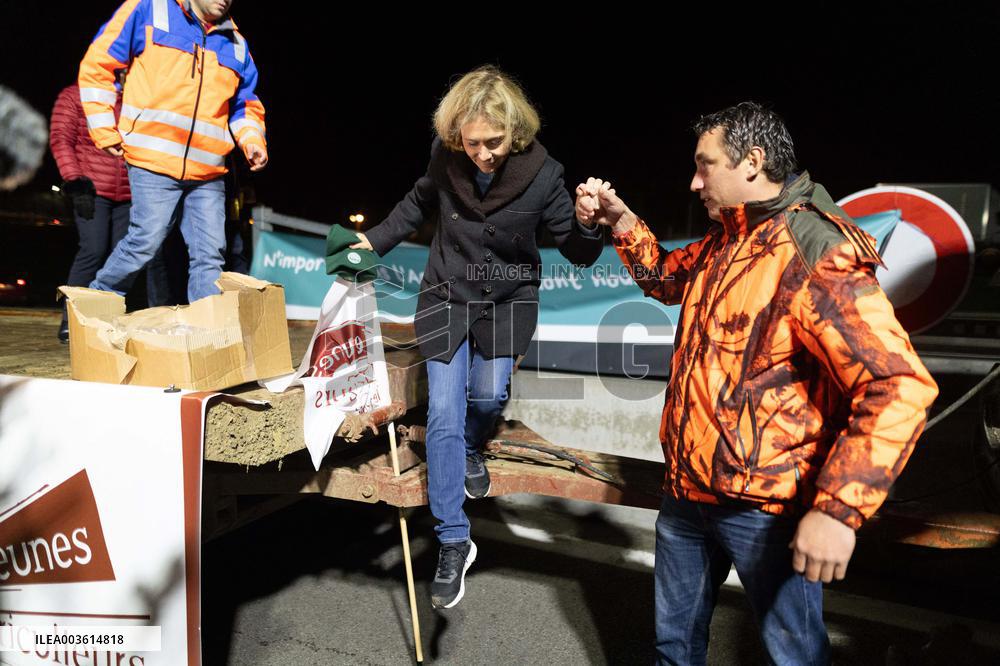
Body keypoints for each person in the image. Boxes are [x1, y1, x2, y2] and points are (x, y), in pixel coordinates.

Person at [575, 102, 939, 665]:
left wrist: (838, 508)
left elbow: (899, 385)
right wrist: (620, 221)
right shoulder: (728, 239)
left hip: (765, 508)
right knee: (673, 650)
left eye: (705, 165)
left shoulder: (813, 252)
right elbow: (664, 279)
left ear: (753, 161)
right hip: (686, 493)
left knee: (793, 657)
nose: (694, 181)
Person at [353, 65, 603, 609]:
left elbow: (578, 250)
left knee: (486, 396)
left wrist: (587, 221)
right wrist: (365, 245)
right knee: (442, 411)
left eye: (492, 143)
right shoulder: (446, 160)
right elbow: (416, 205)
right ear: (455, 137)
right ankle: (452, 538)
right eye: (472, 144)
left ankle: (471, 450)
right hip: (445, 297)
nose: (483, 155)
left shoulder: (544, 173)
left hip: (508, 301)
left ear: (512, 133)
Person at [78, 0, 267, 304]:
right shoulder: (148, 10)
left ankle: (205, 332)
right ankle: (96, 302)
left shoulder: (237, 44)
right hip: (153, 160)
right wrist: (103, 127)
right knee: (145, 241)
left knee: (211, 255)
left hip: (208, 171)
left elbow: (244, 104)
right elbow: (97, 66)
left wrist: (252, 140)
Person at [50, 81, 131, 341]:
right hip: (91, 189)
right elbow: (61, 139)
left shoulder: (133, 96)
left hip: (130, 192)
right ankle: (70, 320)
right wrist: (75, 180)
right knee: (93, 250)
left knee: (124, 257)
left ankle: (108, 320)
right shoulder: (74, 95)